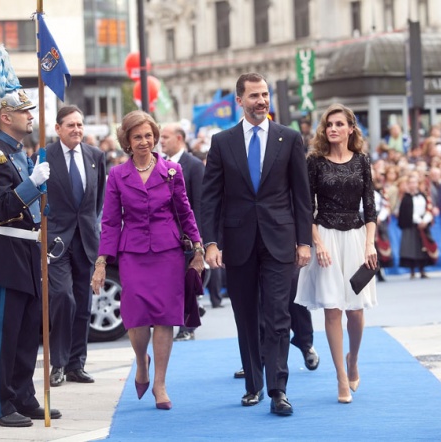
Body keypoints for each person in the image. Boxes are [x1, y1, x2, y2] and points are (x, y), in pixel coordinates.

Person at [201, 72, 312, 416]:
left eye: (265, 95)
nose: (261, 101)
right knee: (246, 315)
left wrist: (304, 241)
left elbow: (301, 195)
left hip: (280, 242)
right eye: (254, 96)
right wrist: (211, 242)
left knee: (278, 315)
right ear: (239, 101)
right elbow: (210, 199)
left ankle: (279, 389)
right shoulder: (222, 142)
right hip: (238, 243)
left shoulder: (289, 138)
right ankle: (253, 384)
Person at [91, 111, 204, 410]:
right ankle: (142, 361)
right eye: (137, 137)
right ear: (127, 142)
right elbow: (111, 222)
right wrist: (101, 262)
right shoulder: (117, 175)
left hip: (168, 252)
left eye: (148, 135)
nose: (144, 141)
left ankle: (160, 383)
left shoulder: (171, 171)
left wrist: (198, 248)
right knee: (136, 317)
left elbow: (185, 211)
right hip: (134, 253)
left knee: (166, 318)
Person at [0, 42, 60, 427]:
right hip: (7, 251)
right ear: (5, 117)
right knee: (4, 335)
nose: (31, 116)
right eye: (24, 112)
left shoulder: (23, 155)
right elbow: (3, 208)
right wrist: (32, 185)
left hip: (29, 251)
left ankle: (24, 397)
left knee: (28, 333)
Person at [295, 103, 378, 404]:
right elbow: (305, 207)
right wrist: (316, 242)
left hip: (357, 239)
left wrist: (370, 244)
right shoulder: (315, 161)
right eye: (329, 124)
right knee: (333, 309)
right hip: (326, 238)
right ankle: (341, 378)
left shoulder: (362, 161)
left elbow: (370, 208)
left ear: (351, 129)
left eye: (339, 124)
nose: (333, 129)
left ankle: (353, 358)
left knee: (355, 312)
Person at [45, 106, 106, 387]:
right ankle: (57, 363)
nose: (77, 130)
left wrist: (94, 231)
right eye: (70, 125)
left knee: (83, 304)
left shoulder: (96, 156)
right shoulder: (45, 156)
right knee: (62, 298)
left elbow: (97, 202)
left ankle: (75, 365)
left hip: (86, 240)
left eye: (80, 125)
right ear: (58, 129)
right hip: (57, 242)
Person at [159, 123, 209, 342]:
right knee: (172, 282)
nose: (161, 141)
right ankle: (180, 320)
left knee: (187, 281)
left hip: (187, 236)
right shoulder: (160, 165)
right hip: (166, 235)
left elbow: (199, 203)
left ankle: (187, 327)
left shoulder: (194, 165)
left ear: (179, 139)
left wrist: (197, 237)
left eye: (166, 137)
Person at [398, 172, 434, 278]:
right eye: (411, 183)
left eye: (415, 182)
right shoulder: (406, 198)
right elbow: (408, 213)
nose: (413, 185)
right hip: (411, 225)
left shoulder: (423, 196)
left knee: (422, 247)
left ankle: (422, 270)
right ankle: (412, 271)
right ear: (408, 184)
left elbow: (428, 209)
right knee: (411, 249)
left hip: (423, 225)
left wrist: (425, 221)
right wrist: (418, 221)